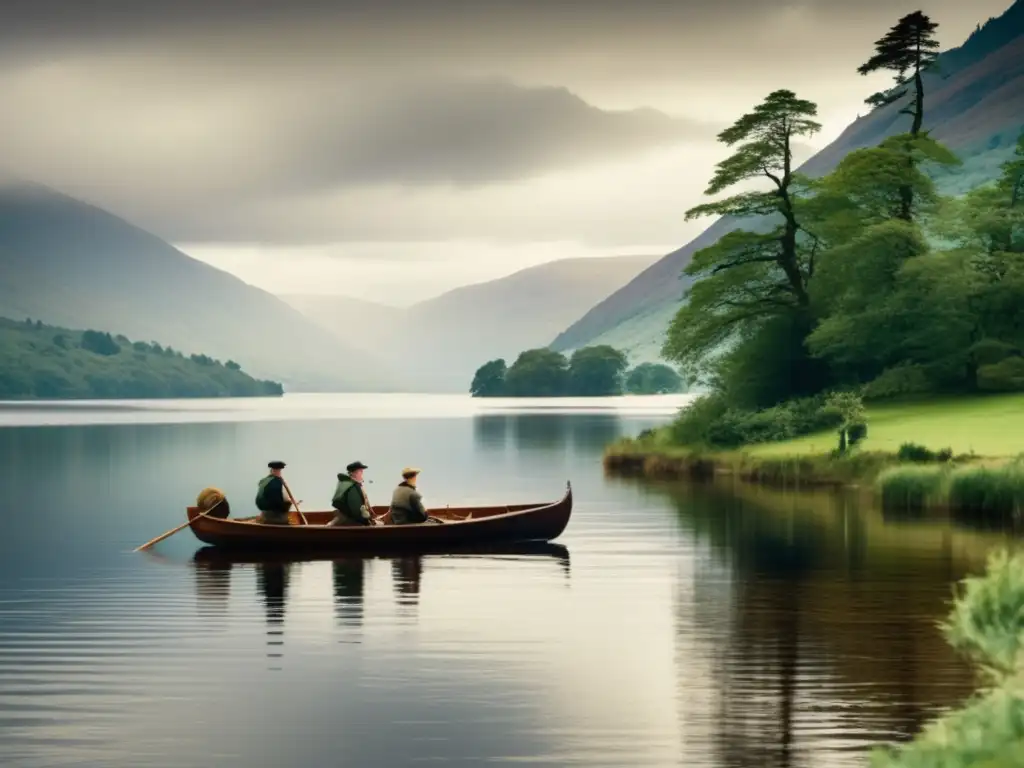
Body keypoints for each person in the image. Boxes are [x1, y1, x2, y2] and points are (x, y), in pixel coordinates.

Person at [329, 461, 373, 526]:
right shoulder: (352, 488)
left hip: (346, 517)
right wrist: (367, 522)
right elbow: (356, 511)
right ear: (354, 473)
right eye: (360, 471)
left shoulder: (348, 484)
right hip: (350, 521)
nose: (362, 473)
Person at [255, 460, 295, 525]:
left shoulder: (264, 481)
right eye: (279, 471)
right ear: (277, 471)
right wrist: (289, 503)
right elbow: (278, 502)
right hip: (275, 517)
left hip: (265, 515)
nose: (280, 473)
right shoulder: (276, 482)